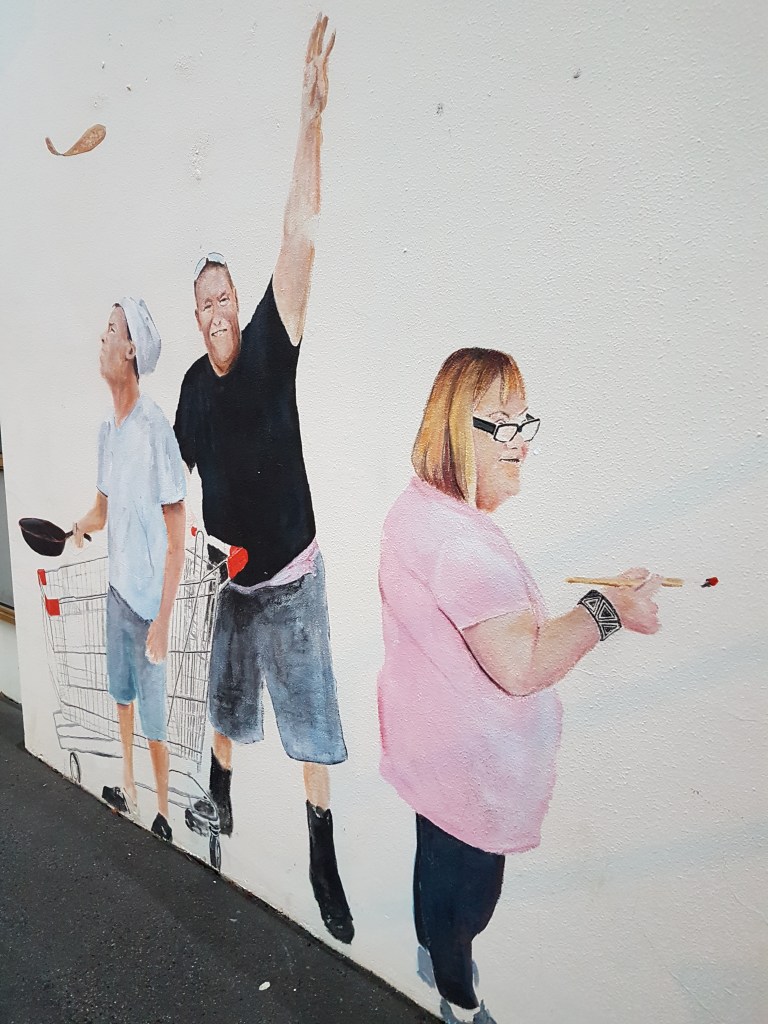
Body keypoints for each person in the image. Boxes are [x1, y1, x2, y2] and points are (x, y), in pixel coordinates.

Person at [377, 348, 662, 1024]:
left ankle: (435, 958)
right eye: (500, 425)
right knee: (472, 897)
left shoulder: (416, 511)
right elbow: (521, 667)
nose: (521, 445)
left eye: (522, 423)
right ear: (454, 429)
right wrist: (606, 610)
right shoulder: (462, 545)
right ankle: (459, 1000)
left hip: (430, 756)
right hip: (472, 774)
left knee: (435, 867)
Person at [173, 15, 353, 943]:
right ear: (194, 314)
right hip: (232, 584)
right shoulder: (192, 392)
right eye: (201, 299)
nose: (216, 308)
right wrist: (189, 569)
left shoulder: (275, 344)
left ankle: (322, 856)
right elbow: (179, 475)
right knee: (222, 709)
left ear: (241, 301)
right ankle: (221, 805)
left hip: (291, 578)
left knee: (313, 729)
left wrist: (310, 116)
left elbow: (299, 233)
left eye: (224, 293)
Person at [73, 298, 186, 842]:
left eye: (111, 329)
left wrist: (164, 618)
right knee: (121, 697)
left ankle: (163, 811)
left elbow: (177, 531)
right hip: (117, 595)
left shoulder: (154, 428)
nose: (102, 336)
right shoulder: (107, 434)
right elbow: (103, 508)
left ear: (131, 348)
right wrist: (77, 526)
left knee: (156, 717)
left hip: (147, 604)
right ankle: (128, 786)